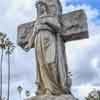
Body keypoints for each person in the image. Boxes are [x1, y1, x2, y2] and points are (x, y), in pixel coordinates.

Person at [25, 0, 71, 95]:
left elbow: (58, 27)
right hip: (38, 41)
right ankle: (47, 89)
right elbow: (33, 34)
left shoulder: (50, 17)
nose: (39, 9)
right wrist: (29, 44)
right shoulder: (37, 21)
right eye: (37, 7)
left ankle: (57, 88)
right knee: (42, 65)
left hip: (49, 40)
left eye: (40, 6)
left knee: (51, 63)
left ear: (44, 7)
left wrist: (47, 21)